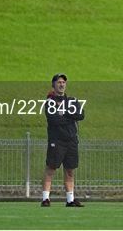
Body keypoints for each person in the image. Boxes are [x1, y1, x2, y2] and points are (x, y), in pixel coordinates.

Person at [41, 73, 85, 207]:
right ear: (53, 85)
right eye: (59, 82)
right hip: (57, 140)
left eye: (63, 82)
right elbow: (54, 119)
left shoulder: (72, 100)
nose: (62, 84)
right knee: (51, 168)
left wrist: (64, 113)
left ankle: (70, 199)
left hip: (71, 140)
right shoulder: (50, 102)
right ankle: (45, 198)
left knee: (70, 170)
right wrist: (70, 116)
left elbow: (81, 115)